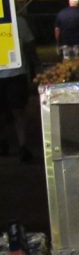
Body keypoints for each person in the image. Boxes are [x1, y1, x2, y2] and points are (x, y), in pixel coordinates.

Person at [0, 13, 36, 163]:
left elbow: (29, 46)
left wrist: (34, 65)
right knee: (17, 112)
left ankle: (20, 146)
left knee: (17, 111)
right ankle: (15, 145)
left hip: (16, 73)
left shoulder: (19, 22)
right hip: (17, 73)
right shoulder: (19, 21)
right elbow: (30, 47)